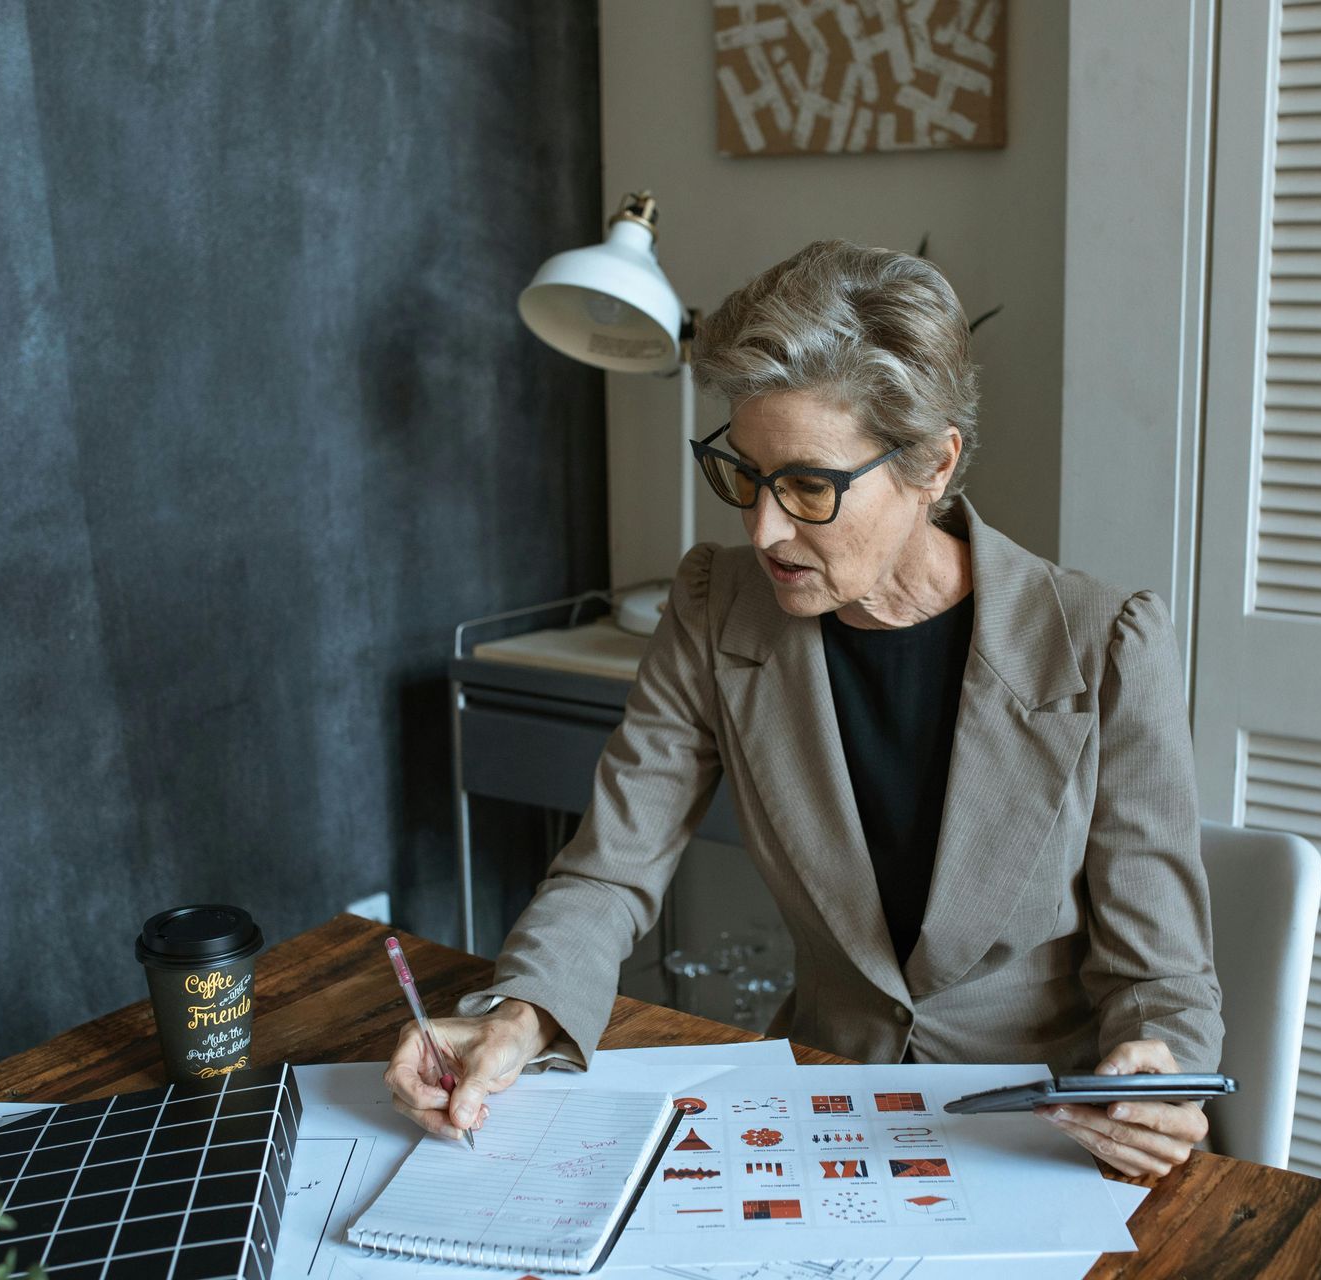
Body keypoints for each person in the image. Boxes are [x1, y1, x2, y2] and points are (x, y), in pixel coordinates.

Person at [388, 240, 1222, 1177]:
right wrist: (521, 1017)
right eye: (744, 473)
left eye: (810, 486)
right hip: (825, 1113)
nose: (763, 528)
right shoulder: (713, 607)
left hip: (1047, 1143)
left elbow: (1161, 980)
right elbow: (610, 869)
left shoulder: (1105, 644)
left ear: (934, 465)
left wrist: (1158, 1073)